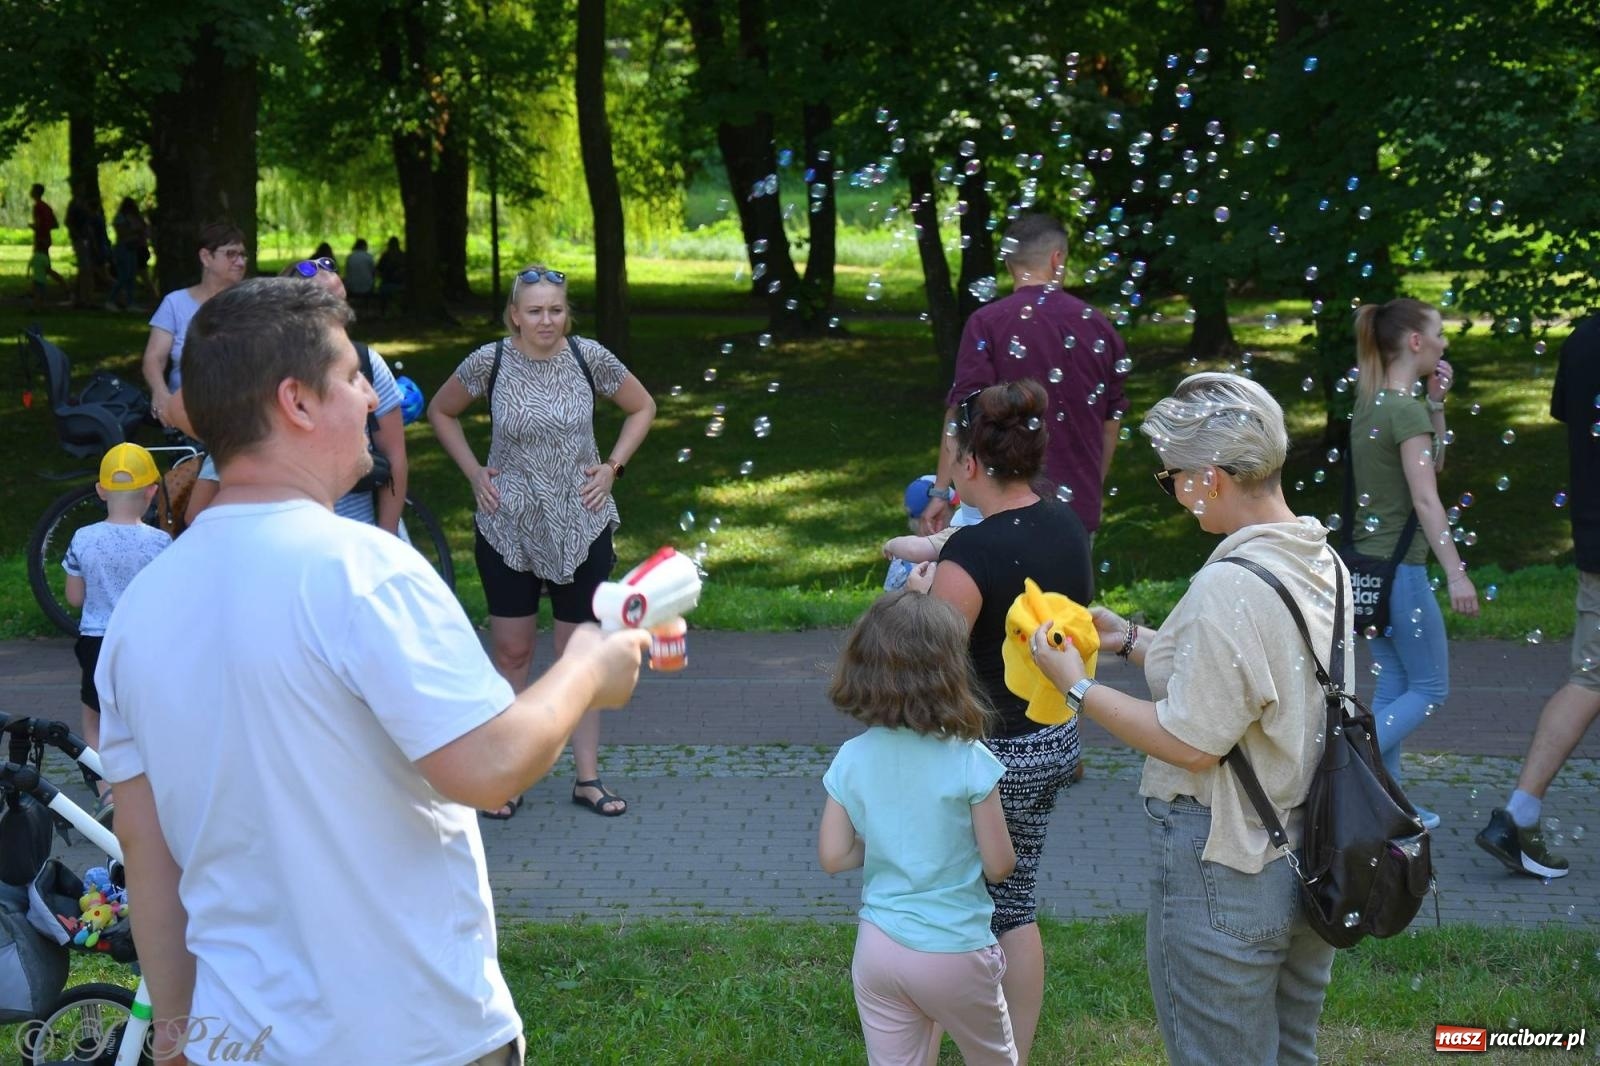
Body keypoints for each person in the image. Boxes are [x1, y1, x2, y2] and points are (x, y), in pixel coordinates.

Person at [96, 278, 653, 1064]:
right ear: (296, 402)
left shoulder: (141, 608)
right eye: (353, 376)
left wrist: (179, 1038)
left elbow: (147, 859)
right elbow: (491, 767)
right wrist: (590, 665)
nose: (370, 396)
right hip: (411, 1037)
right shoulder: (367, 571)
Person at [1030, 372, 1347, 1066]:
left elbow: (1189, 742)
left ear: (1211, 477)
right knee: (1293, 1052)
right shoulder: (1318, 558)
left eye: (1171, 476)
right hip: (1314, 850)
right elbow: (1252, 683)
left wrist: (1076, 686)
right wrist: (1130, 641)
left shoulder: (1230, 586)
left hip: (1228, 867)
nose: (1171, 490)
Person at [430, 265, 656, 819]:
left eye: (555, 309)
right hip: (508, 525)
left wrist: (613, 468)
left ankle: (587, 779)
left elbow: (642, 406)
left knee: (578, 655)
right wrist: (474, 472)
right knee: (512, 652)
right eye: (534, 310)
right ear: (514, 314)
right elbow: (441, 411)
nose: (546, 320)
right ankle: (505, 775)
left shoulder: (589, 357)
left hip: (583, 523)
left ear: (566, 312)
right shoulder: (492, 361)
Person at [917, 379, 1091, 1064]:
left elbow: (929, 666)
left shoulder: (971, 555)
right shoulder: (1063, 525)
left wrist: (922, 590)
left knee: (953, 908)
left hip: (993, 758)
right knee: (1015, 903)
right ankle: (1011, 1051)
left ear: (967, 465)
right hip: (1052, 738)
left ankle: (930, 1040)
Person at [819, 591, 1019, 1065]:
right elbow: (999, 865)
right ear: (951, 671)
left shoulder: (853, 756)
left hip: (879, 951)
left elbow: (833, 856)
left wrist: (888, 843)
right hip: (955, 952)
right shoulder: (970, 759)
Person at [1477, 313, 1600, 879]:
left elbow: (1568, 416)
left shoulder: (1583, 339)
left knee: (1590, 677)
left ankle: (1519, 815)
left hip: (1593, 532)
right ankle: (1518, 817)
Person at [1349, 298, 1478, 831]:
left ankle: (1388, 809)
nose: (1446, 343)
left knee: (1396, 685)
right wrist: (1456, 572)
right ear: (1417, 343)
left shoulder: (1375, 405)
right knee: (1430, 688)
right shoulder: (1402, 411)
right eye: (1440, 333)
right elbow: (1427, 499)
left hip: (1366, 570)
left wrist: (1437, 403)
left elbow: (1432, 462)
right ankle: (1349, 769)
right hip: (1401, 573)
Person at [920, 213, 1128, 537]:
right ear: (1058, 258)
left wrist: (942, 491)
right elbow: (1111, 423)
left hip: (999, 507)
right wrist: (1091, 487)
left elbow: (962, 414)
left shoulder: (987, 322)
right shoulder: (1099, 325)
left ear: (1008, 264)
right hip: (1075, 513)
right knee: (1065, 591)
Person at [185, 259, 409, 533]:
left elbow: (395, 457)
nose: (369, 398)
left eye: (338, 304)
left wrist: (386, 536)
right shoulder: (254, 391)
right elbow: (199, 508)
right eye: (322, 310)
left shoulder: (368, 362)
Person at [62, 443, 171, 825]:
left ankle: (108, 790)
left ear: (100, 490)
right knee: (140, 713)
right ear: (152, 491)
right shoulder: (161, 544)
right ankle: (148, 786)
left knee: (95, 718)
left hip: (95, 640)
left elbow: (75, 598)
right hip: (142, 641)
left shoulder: (82, 538)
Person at [140, 222, 248, 430]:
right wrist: (161, 394)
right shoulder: (175, 303)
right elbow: (154, 358)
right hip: (188, 413)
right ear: (206, 257)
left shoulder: (252, 304)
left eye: (243, 255)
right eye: (231, 254)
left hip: (240, 413)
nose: (241, 262)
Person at [109, 197, 153, 311]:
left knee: (131, 277)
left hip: (133, 248)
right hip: (123, 248)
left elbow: (146, 231)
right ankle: (111, 300)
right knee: (124, 276)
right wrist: (137, 231)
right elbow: (122, 233)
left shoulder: (136, 218)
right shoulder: (121, 218)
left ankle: (130, 302)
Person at [28, 182, 67, 310]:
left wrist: (35, 227)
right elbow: (55, 224)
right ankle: (37, 293)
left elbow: (38, 224)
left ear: (35, 192)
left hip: (40, 240)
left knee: (42, 266)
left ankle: (58, 286)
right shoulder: (46, 207)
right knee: (44, 265)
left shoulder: (38, 207)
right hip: (46, 238)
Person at [377, 236, 406, 315]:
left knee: (383, 293)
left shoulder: (385, 256)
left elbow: (378, 270)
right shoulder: (403, 255)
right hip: (400, 284)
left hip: (387, 284)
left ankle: (383, 312)